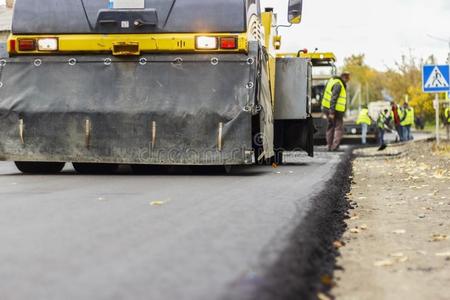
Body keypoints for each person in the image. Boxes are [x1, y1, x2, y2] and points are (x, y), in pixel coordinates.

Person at [322, 72, 350, 151]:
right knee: (338, 128)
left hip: (327, 108)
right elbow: (333, 98)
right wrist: (332, 112)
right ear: (344, 78)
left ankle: (329, 146)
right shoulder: (338, 84)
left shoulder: (332, 80)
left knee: (330, 127)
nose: (347, 82)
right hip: (335, 110)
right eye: (347, 80)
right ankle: (334, 146)